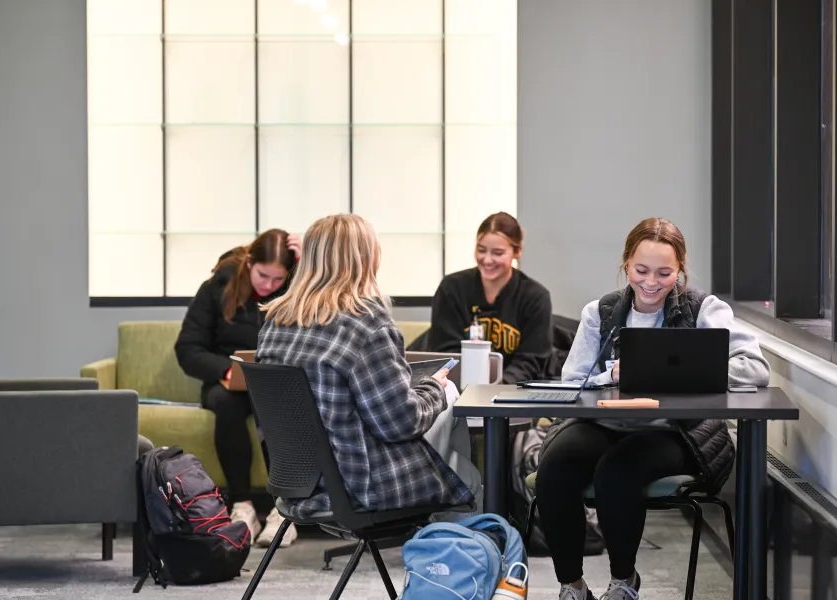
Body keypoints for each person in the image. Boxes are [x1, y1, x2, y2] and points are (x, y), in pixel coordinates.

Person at [536, 217, 771, 600]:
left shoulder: (703, 309)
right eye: (641, 270)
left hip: (675, 430)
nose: (651, 282)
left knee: (618, 470)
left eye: (664, 273)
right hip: (606, 425)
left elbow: (756, 369)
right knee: (554, 469)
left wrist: (690, 371)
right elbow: (572, 380)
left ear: (680, 270)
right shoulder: (601, 312)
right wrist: (612, 374)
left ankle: (623, 582)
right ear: (626, 264)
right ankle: (572, 586)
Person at [256, 214, 481, 519]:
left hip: (298, 486)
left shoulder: (274, 323)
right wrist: (434, 388)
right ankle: (443, 537)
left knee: (451, 456)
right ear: (367, 259)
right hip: (360, 487)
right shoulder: (367, 324)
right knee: (467, 469)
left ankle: (436, 515)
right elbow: (399, 423)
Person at [175, 228, 301, 548]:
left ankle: (283, 511)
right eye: (263, 276)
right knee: (225, 404)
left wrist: (305, 266)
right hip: (228, 383)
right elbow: (188, 348)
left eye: (278, 279)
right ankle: (243, 506)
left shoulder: (295, 288)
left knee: (279, 407)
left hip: (276, 381)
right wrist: (226, 369)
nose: (270, 286)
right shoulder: (217, 287)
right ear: (248, 264)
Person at [427, 212, 553, 383]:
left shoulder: (535, 297)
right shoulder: (452, 288)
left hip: (510, 393)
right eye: (481, 250)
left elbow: (532, 360)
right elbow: (445, 351)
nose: (487, 260)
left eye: (498, 253)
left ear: (517, 251)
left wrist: (498, 387)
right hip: (456, 388)